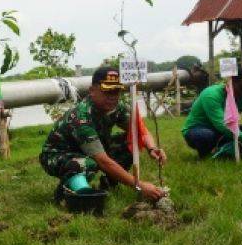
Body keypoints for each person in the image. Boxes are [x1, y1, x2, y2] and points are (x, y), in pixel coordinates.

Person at [39, 66, 167, 202]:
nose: (112, 96)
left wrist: (152, 148)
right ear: (92, 90)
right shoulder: (81, 116)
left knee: (131, 140)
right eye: (107, 91)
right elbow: (102, 161)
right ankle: (68, 192)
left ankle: (109, 183)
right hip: (57, 155)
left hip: (91, 150)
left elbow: (139, 130)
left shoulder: (116, 107)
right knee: (87, 163)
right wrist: (139, 185)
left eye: (116, 91)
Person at [182, 67, 242, 158]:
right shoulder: (211, 95)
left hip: (223, 131)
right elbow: (222, 125)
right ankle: (209, 152)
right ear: (231, 82)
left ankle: (224, 149)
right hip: (199, 129)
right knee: (206, 135)